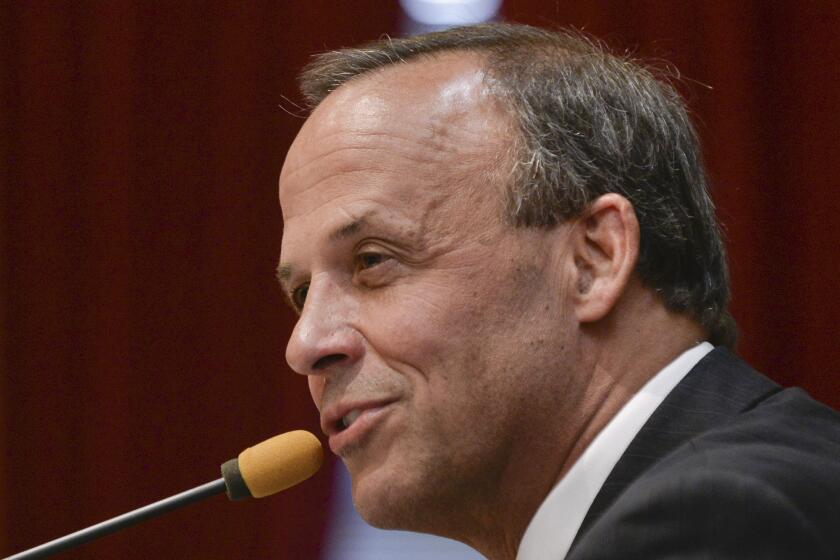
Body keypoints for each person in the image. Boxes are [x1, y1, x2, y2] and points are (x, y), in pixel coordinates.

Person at [276, 23, 840, 559]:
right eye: (301, 293)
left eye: (372, 261)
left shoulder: (720, 522)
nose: (305, 346)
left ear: (593, 259)